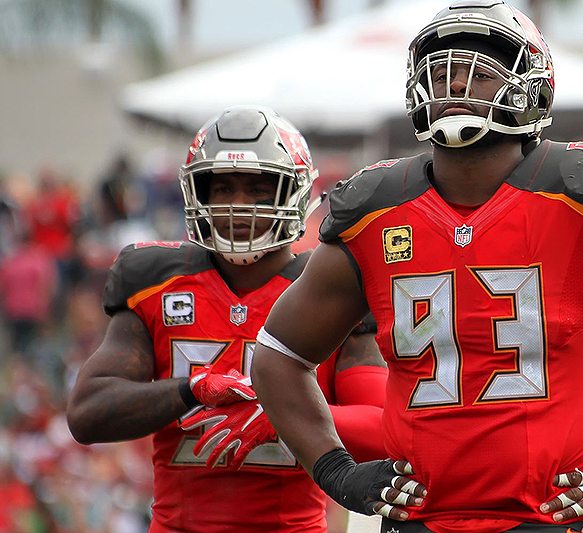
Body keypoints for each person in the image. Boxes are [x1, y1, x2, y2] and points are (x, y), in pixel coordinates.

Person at [248, 2, 583, 533]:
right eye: (441, 68)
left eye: (478, 68)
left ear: (529, 86)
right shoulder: (374, 213)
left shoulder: (579, 199)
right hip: (421, 520)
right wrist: (336, 472)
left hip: (559, 518)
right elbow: (279, 356)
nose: (453, 81)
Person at [66, 105, 388, 533]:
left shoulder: (330, 289)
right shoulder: (154, 282)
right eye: (222, 188)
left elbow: (386, 427)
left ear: (294, 194)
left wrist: (281, 414)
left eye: (258, 188)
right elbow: (87, 414)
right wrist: (189, 389)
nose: (239, 205)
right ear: (197, 193)